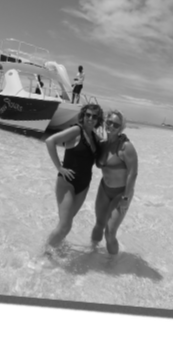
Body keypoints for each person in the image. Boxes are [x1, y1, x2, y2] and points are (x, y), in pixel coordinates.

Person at [44, 103, 104, 252]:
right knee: (65, 225)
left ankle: (56, 247)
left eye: (94, 116)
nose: (90, 118)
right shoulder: (77, 130)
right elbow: (50, 141)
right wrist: (59, 167)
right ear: (83, 115)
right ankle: (45, 254)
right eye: (87, 115)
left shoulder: (96, 138)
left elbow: (99, 162)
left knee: (67, 222)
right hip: (67, 183)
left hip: (83, 185)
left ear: (98, 120)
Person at [90, 110, 138, 256]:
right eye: (109, 122)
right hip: (104, 189)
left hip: (121, 193)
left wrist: (125, 198)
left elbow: (133, 173)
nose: (111, 126)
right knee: (99, 225)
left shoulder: (126, 147)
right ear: (105, 122)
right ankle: (92, 252)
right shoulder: (103, 144)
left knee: (110, 232)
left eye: (116, 125)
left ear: (121, 128)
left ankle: (112, 263)